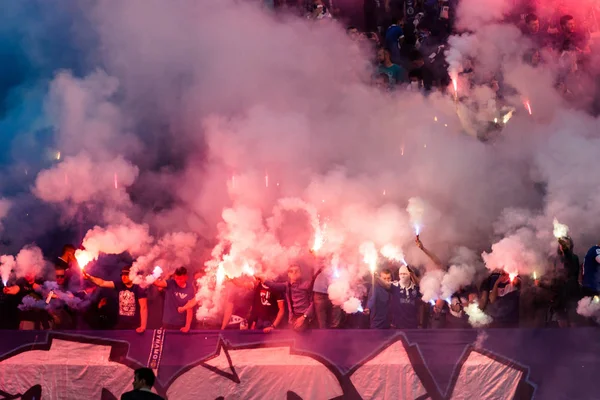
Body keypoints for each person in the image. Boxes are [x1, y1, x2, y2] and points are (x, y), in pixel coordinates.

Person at [83, 266, 148, 332]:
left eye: (126, 275)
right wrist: (90, 277)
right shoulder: (119, 285)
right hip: (121, 324)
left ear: (133, 275)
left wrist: (143, 327)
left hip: (135, 326)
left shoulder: (139, 288)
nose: (124, 277)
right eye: (122, 275)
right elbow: (102, 283)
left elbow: (143, 307)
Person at [263, 264, 315, 331]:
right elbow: (273, 285)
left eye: (296, 271)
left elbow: (313, 303)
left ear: (301, 273)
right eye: (291, 271)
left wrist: (304, 317)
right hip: (293, 319)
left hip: (306, 317)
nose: (294, 273)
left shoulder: (307, 285)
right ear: (288, 274)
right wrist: (263, 279)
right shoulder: (286, 286)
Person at [376, 264, 425, 329]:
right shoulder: (395, 285)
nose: (402, 276)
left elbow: (421, 287)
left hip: (412, 325)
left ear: (409, 274)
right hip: (397, 326)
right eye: (401, 274)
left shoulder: (415, 287)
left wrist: (413, 275)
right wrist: (377, 277)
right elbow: (386, 285)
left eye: (404, 274)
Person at [153, 267, 194, 333]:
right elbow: (157, 283)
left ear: (186, 277)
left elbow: (190, 308)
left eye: (181, 279)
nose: (178, 281)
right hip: (167, 322)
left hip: (181, 324)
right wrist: (156, 271)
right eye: (177, 278)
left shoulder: (190, 288)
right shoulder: (171, 283)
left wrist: (187, 326)